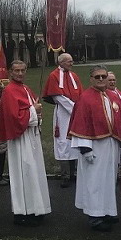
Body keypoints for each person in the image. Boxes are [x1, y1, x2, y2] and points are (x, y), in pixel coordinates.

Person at [68, 65, 121, 231]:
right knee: (95, 182)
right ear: (91, 79)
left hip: (110, 145)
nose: (101, 79)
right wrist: (86, 149)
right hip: (94, 147)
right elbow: (80, 124)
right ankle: (95, 217)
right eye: (97, 77)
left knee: (108, 181)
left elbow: (120, 120)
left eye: (103, 76)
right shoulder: (85, 98)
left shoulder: (110, 96)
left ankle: (107, 211)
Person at [0, 60, 51, 226]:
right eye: (16, 71)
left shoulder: (26, 88)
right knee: (23, 172)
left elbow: (32, 109)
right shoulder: (9, 91)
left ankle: (36, 207)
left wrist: (37, 114)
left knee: (34, 172)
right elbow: (13, 117)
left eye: (22, 70)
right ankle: (23, 211)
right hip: (19, 138)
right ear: (10, 72)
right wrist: (33, 112)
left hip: (31, 136)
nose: (20, 73)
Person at [43, 52, 82, 189]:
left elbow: (80, 94)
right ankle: (65, 175)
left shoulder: (74, 76)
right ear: (61, 62)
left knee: (74, 142)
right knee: (63, 143)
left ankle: (74, 173)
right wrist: (75, 109)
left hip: (75, 113)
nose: (72, 63)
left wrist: (79, 109)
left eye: (71, 61)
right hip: (63, 114)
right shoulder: (54, 76)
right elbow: (57, 97)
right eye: (69, 61)